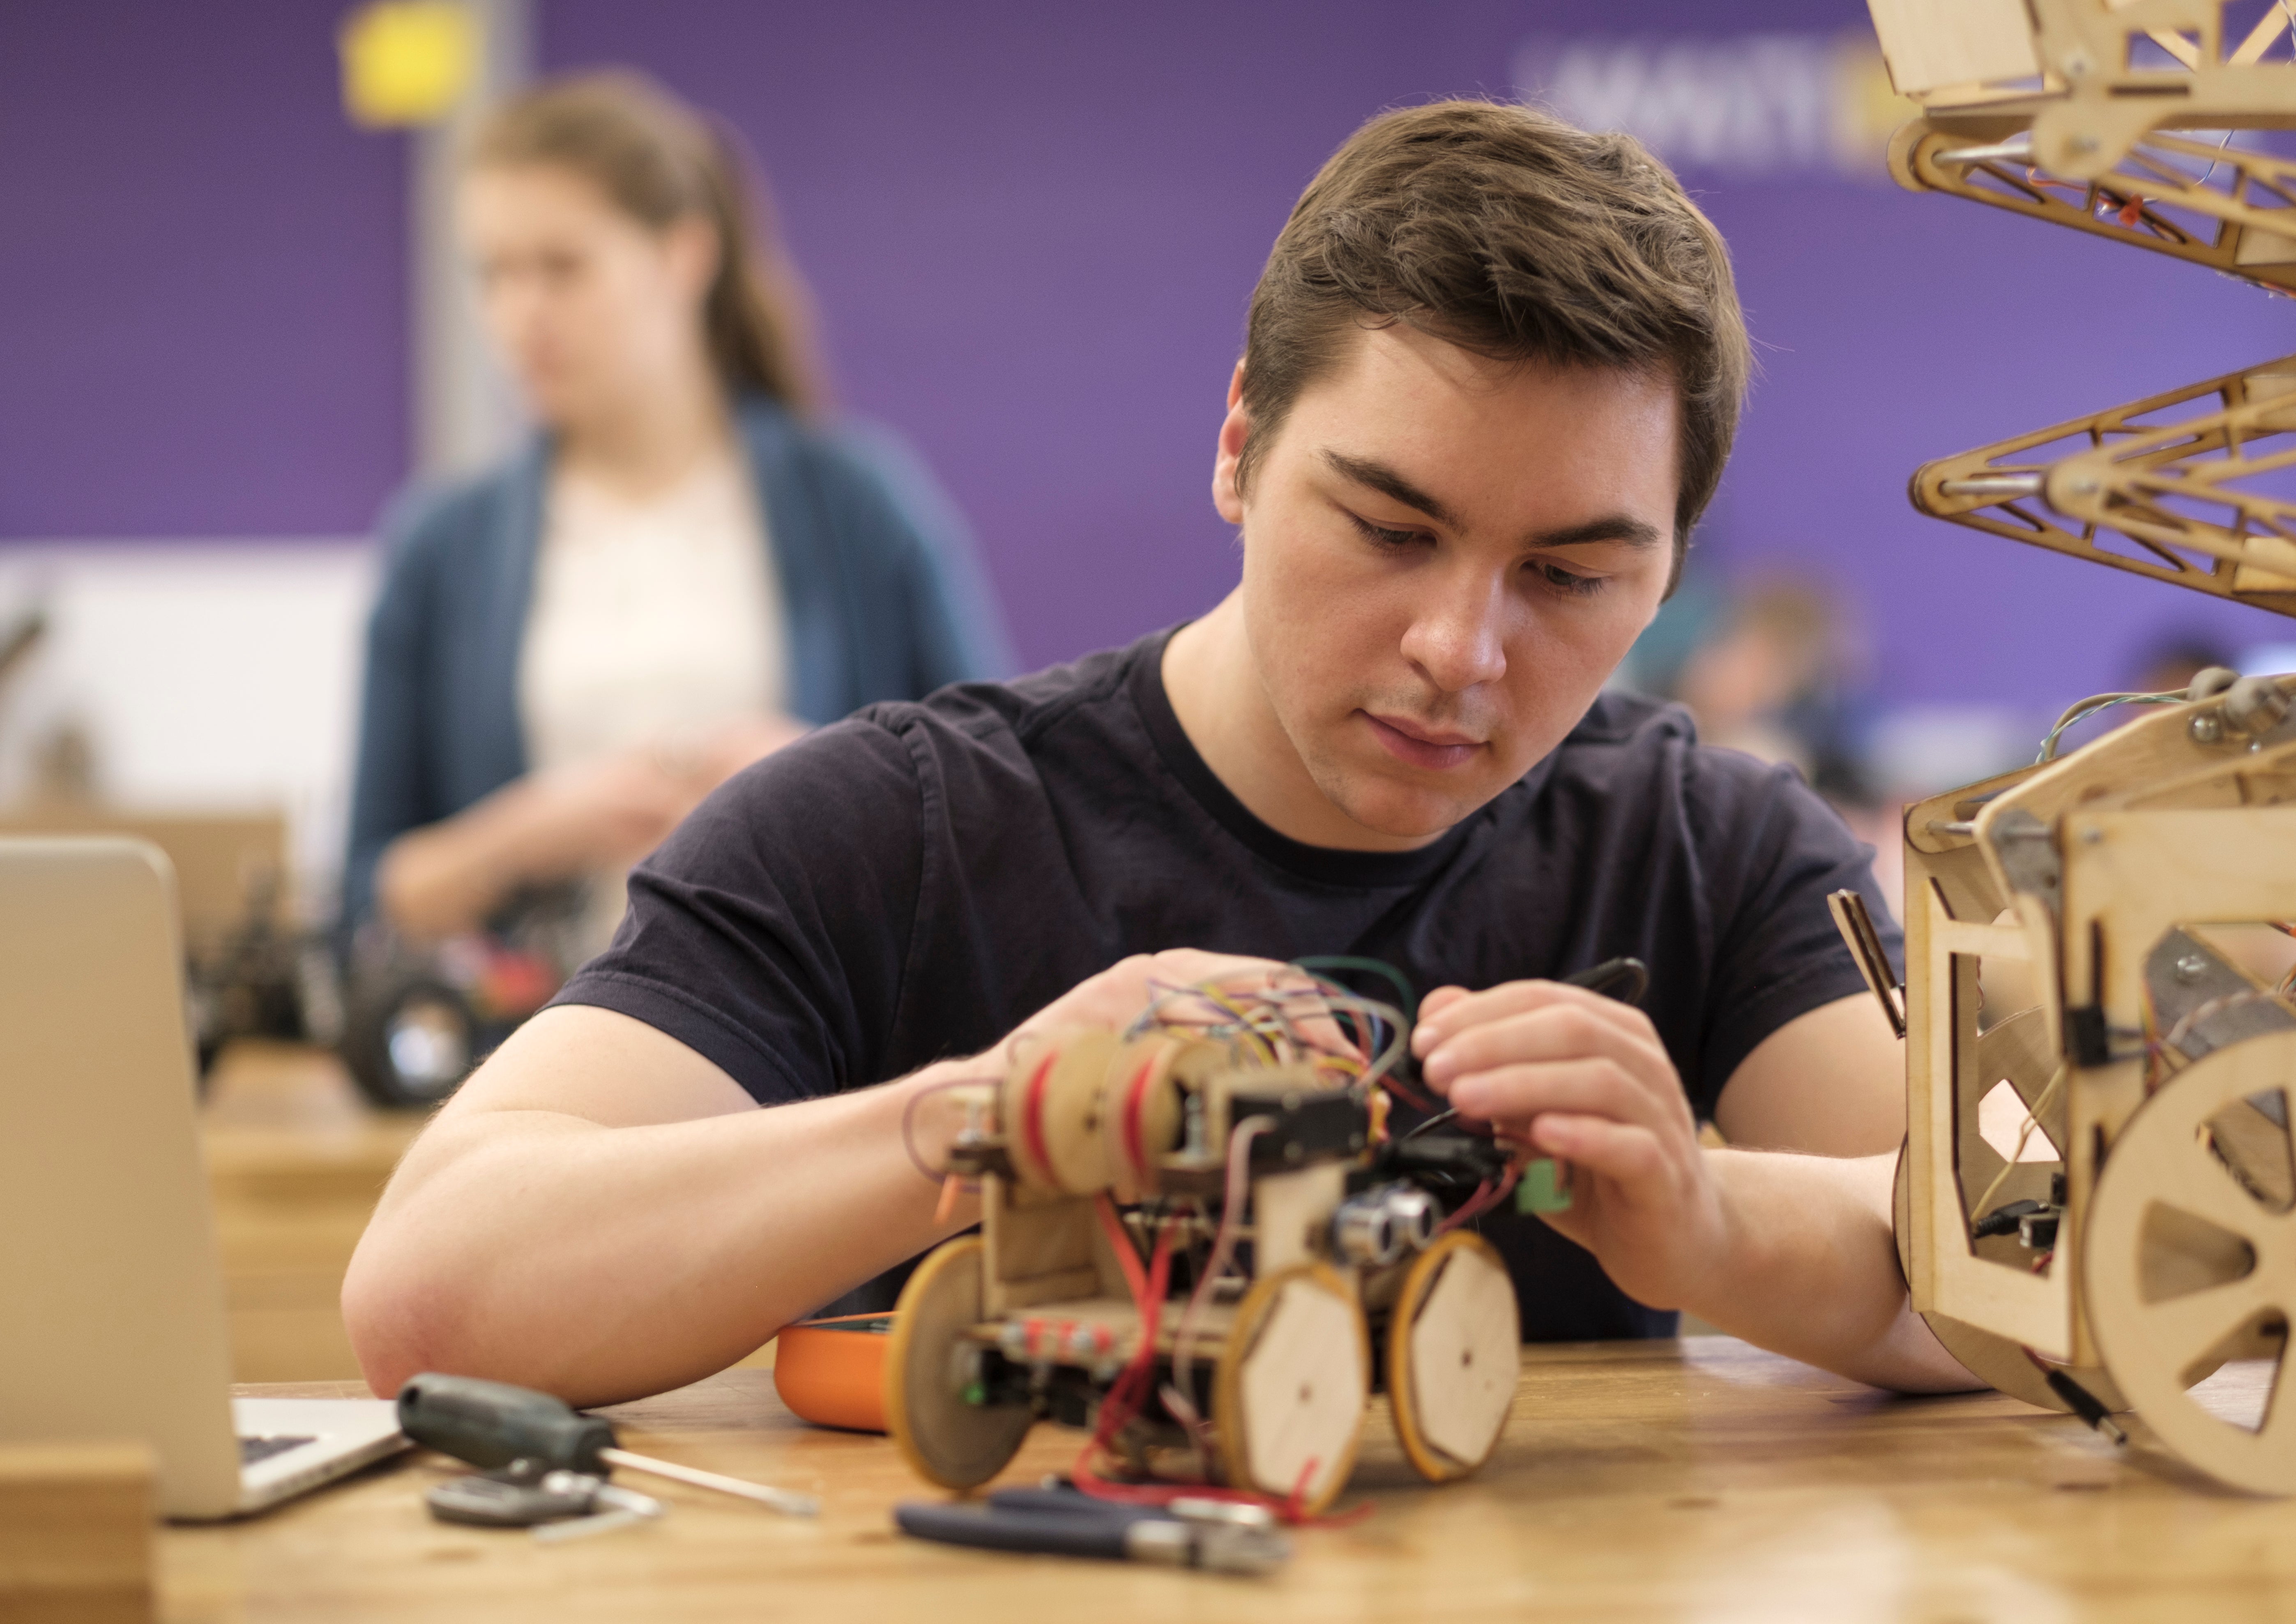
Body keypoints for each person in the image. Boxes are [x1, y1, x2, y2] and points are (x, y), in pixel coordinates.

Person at [343, 100, 1974, 1407]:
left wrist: (1711, 1215)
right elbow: (432, 1290)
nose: (1461, 649)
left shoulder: (1713, 845)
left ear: (1670, 579)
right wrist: (981, 1119)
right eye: (1390, 527)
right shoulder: (879, 830)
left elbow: (2046, 1274)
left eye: (1570, 577)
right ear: (1239, 446)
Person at [343, 71, 1011, 958]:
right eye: (493, 273)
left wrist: (826, 775)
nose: (518, 315)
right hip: (527, 1044)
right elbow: (365, 890)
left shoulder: (860, 503)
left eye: (561, 267)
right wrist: (525, 831)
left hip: (810, 1046)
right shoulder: (439, 543)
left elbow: (1004, 818)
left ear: (683, 257)